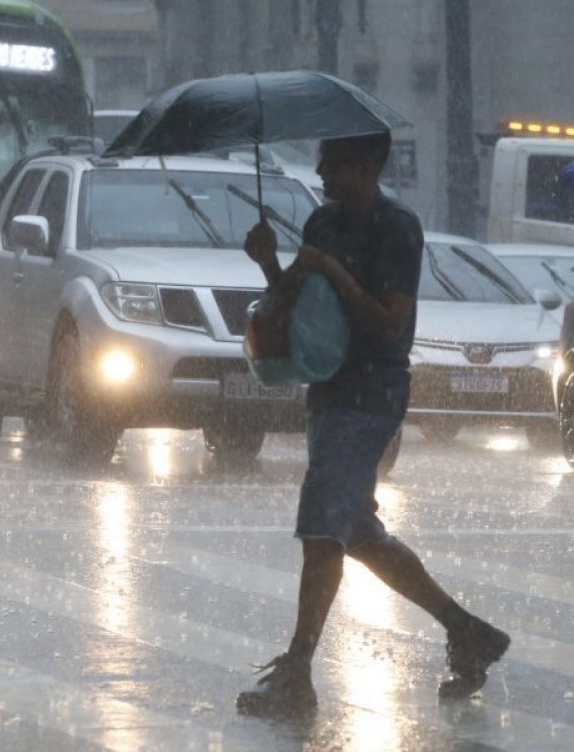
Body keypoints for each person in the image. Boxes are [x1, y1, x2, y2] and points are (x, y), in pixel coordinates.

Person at [236, 134, 509, 717]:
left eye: (332, 163)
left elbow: (388, 324)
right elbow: (296, 305)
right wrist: (270, 265)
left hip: (373, 392)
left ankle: (298, 669)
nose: (321, 172)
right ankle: (467, 631)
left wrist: (332, 270)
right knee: (354, 530)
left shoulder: (398, 229)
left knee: (321, 529)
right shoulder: (321, 223)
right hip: (329, 388)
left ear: (364, 167)